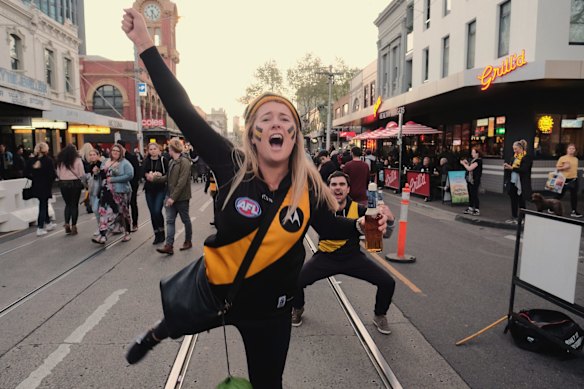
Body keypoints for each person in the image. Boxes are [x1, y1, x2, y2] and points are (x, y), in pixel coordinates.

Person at [121, 9, 390, 389]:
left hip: (271, 311)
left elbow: (330, 226)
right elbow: (182, 110)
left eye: (286, 119)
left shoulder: (309, 187)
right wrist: (147, 46)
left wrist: (361, 224)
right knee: (177, 321)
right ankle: (156, 333)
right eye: (267, 118)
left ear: (294, 136)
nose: (277, 123)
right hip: (216, 290)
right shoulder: (231, 166)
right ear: (252, 134)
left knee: (268, 384)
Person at [291, 171, 396, 334]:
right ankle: (297, 308)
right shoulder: (320, 209)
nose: (337, 188)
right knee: (294, 281)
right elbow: (328, 226)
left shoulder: (361, 209)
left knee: (388, 282)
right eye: (333, 184)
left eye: (341, 185)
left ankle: (380, 315)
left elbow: (385, 234)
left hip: (352, 257)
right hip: (326, 257)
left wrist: (389, 221)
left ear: (348, 189)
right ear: (328, 188)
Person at [149, 138, 192, 254]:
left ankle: (188, 241)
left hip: (182, 197)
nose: (168, 150)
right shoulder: (172, 161)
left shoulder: (185, 162)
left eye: (169, 148)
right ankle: (169, 245)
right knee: (170, 221)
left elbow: (182, 182)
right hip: (170, 196)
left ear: (173, 149)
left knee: (185, 220)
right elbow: (168, 178)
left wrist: (173, 197)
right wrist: (155, 179)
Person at [92, 143, 134, 244]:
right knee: (104, 213)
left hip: (120, 192)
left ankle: (127, 232)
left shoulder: (125, 163)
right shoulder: (105, 161)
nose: (115, 152)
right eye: (113, 150)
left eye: (117, 151)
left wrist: (113, 179)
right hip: (105, 191)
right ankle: (103, 235)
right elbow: (102, 175)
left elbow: (129, 175)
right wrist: (97, 172)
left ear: (121, 153)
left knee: (122, 213)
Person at [25, 142, 56, 236]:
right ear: (46, 149)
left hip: (36, 185)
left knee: (43, 203)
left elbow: (25, 172)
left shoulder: (31, 160)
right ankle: (40, 227)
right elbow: (52, 174)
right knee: (43, 205)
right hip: (45, 185)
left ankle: (48, 223)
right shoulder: (48, 160)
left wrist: (34, 178)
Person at [56, 144, 86, 235]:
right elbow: (82, 174)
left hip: (63, 184)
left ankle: (66, 223)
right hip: (75, 184)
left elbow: (58, 173)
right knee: (74, 205)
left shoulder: (60, 161)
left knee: (68, 204)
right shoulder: (77, 160)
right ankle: (74, 226)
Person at [143, 142, 169, 244]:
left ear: (159, 150)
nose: (153, 151)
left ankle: (162, 232)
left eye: (155, 149)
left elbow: (168, 174)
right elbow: (142, 172)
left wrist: (159, 175)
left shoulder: (163, 160)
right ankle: (156, 234)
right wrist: (146, 175)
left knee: (157, 210)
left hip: (160, 189)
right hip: (149, 189)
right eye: (151, 149)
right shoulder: (146, 161)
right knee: (152, 212)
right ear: (148, 151)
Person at [503, 139, 532, 224]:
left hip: (521, 182)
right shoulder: (514, 157)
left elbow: (524, 169)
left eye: (515, 149)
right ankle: (514, 217)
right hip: (513, 181)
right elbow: (511, 167)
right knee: (513, 200)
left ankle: (523, 218)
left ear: (520, 148)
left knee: (521, 200)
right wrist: (507, 167)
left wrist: (512, 168)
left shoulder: (527, 157)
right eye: (513, 149)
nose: (514, 150)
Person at [118, 140, 140, 231]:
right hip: (121, 185)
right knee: (123, 205)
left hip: (132, 184)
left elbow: (137, 172)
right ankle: (124, 225)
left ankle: (134, 223)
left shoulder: (132, 157)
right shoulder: (116, 159)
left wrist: (134, 184)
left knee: (132, 203)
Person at [555, 143, 582, 217]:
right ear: (567, 149)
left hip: (573, 180)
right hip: (563, 180)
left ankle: (574, 211)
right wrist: (564, 167)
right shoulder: (562, 158)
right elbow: (557, 168)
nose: (571, 150)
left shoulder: (576, 159)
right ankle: (551, 207)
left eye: (573, 149)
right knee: (559, 195)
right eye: (570, 148)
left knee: (574, 196)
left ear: (575, 150)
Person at [461, 148, 483, 216]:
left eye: (473, 152)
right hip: (470, 180)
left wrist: (463, 164)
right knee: (470, 194)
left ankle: (477, 209)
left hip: (475, 180)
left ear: (477, 154)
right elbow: (470, 166)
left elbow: (470, 168)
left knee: (474, 194)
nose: (472, 154)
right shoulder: (473, 160)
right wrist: (466, 163)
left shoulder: (478, 161)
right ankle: (470, 208)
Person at [87, 148, 103, 234]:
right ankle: (100, 226)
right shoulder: (89, 166)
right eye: (90, 155)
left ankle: (102, 227)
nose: (92, 156)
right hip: (92, 191)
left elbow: (103, 176)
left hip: (99, 191)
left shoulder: (100, 164)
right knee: (95, 210)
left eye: (94, 155)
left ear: (98, 155)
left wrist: (98, 172)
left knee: (97, 209)